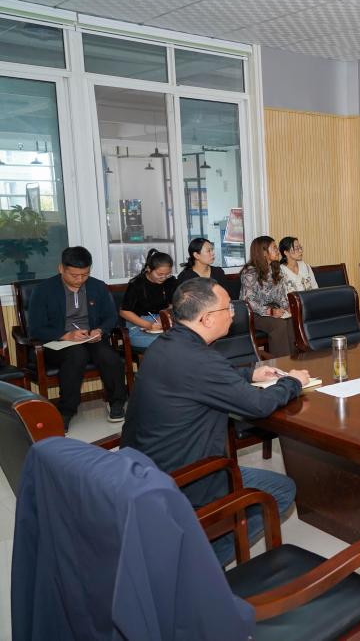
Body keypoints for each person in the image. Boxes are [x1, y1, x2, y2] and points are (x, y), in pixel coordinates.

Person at [121, 277, 310, 565]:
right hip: (186, 479)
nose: (233, 314)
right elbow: (258, 405)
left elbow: (203, 378)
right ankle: (203, 565)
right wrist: (293, 382)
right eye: (228, 308)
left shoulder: (166, 345)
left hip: (144, 470)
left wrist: (249, 374)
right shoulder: (199, 360)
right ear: (207, 318)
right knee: (282, 489)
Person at [27, 246, 128, 427]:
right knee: (76, 354)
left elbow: (111, 317)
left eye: (85, 275)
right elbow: (35, 328)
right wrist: (65, 335)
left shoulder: (97, 286)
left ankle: (117, 402)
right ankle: (66, 410)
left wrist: (100, 330)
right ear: (61, 269)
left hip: (90, 337)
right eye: (74, 275)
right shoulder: (43, 290)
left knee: (109, 356)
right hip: (57, 343)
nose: (80, 280)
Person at [240, 235, 294, 357]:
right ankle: (281, 363)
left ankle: (294, 360)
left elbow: (281, 295)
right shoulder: (249, 272)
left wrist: (287, 307)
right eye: (274, 248)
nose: (278, 251)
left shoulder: (276, 268)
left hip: (273, 309)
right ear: (264, 252)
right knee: (278, 325)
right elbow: (249, 301)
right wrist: (270, 312)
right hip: (254, 313)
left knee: (291, 320)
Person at [119, 248, 177, 349]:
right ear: (149, 269)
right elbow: (124, 312)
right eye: (160, 274)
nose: (164, 277)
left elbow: (172, 304)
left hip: (163, 322)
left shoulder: (170, 281)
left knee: (182, 339)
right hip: (138, 325)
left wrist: (164, 315)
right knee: (165, 342)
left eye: (167, 274)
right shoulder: (137, 284)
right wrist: (149, 325)